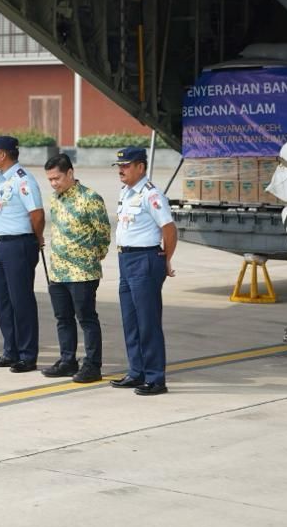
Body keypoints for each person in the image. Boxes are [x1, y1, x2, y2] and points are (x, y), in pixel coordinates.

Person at [112, 146, 175, 396]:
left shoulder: (152, 195)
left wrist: (166, 259)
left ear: (140, 167)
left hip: (145, 259)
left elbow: (169, 229)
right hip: (125, 259)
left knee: (147, 321)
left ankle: (155, 377)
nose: (121, 170)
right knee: (131, 320)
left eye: (126, 165)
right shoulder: (126, 193)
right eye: (119, 166)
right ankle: (136, 371)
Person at [42, 153, 110, 384]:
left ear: (70, 173)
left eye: (57, 178)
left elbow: (103, 234)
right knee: (63, 318)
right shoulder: (55, 199)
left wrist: (91, 258)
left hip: (82, 273)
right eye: (50, 179)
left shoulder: (90, 198)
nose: (53, 183)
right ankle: (67, 360)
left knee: (86, 318)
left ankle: (92, 364)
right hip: (58, 271)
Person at [0, 135, 44, 373]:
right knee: (3, 301)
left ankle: (27, 355)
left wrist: (35, 239)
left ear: (3, 154)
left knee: (21, 301)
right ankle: (10, 351)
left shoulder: (23, 180)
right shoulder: (0, 180)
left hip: (17, 245)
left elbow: (37, 215)